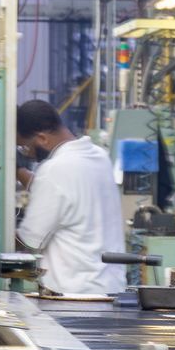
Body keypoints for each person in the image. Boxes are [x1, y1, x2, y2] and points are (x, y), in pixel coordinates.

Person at [14, 99, 129, 296]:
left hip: (73, 295)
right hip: (110, 289)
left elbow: (29, 242)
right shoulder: (99, 156)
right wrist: (18, 170)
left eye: (26, 147)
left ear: (42, 138)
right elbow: (57, 191)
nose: (30, 155)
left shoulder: (53, 171)